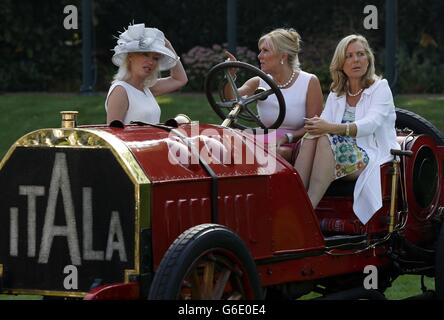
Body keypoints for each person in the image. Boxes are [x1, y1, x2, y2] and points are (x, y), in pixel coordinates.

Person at [294, 34, 400, 224]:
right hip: (338, 151)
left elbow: (371, 124)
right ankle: (292, 200)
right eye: (349, 56)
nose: (356, 60)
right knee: (312, 135)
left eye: (360, 54)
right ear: (341, 63)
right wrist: (316, 126)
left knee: (325, 138)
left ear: (368, 58)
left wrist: (330, 127)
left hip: (371, 154)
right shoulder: (337, 93)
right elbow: (324, 124)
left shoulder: (380, 88)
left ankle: (306, 210)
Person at [224, 28, 323, 162]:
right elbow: (231, 98)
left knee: (273, 153)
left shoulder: (309, 82)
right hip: (263, 139)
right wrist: (230, 76)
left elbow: (314, 126)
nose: (259, 56)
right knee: (223, 144)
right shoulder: (259, 81)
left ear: (283, 56)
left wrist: (287, 137)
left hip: (294, 143)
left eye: (265, 51)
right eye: (260, 51)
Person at [105, 23, 188, 124]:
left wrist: (168, 45)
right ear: (130, 56)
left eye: (155, 58)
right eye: (145, 54)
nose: (151, 62)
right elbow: (113, 135)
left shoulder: (146, 88)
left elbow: (180, 79)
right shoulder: (120, 90)